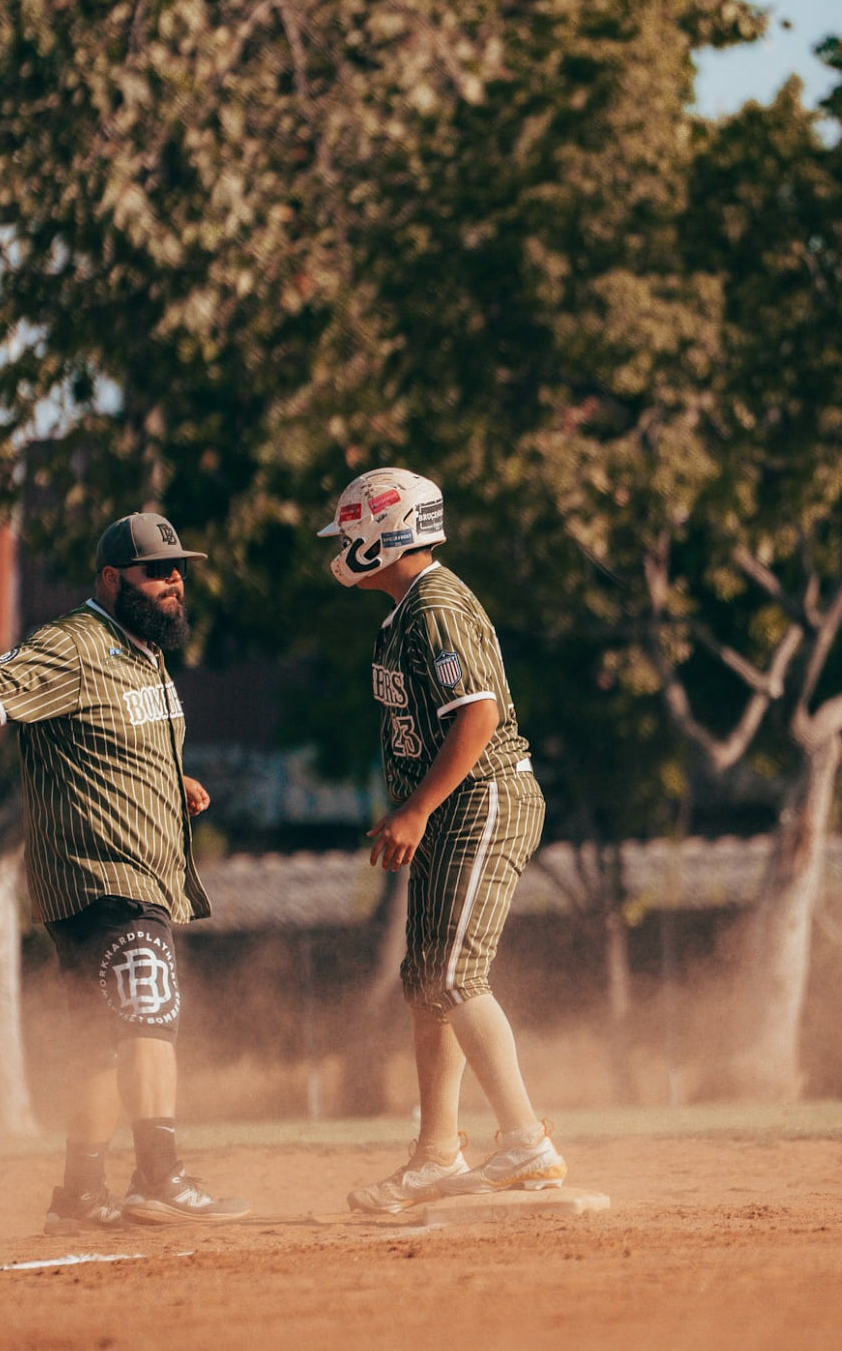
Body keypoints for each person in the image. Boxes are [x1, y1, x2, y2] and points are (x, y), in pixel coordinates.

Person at [0, 512, 248, 1234]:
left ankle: (78, 1194)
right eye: (158, 569)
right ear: (113, 577)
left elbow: (114, 735)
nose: (174, 579)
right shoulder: (76, 644)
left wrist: (170, 778)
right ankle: (158, 1175)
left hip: (117, 877)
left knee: (97, 1039)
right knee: (149, 1018)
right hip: (105, 874)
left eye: (178, 567)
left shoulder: (142, 652)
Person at [318, 467, 566, 1213]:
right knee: (429, 980)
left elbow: (479, 716)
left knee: (454, 975)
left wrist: (418, 808)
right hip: (455, 804)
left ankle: (525, 1139)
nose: (344, 545)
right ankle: (436, 1156)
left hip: (483, 794)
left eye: (353, 529)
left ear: (383, 533)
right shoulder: (404, 614)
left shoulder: (435, 604)